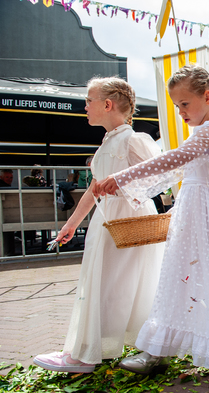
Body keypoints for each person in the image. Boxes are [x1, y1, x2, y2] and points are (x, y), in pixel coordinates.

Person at [95, 65, 209, 372]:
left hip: (205, 213)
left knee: (182, 273)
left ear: (207, 97)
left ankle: (157, 353)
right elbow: (188, 172)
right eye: (177, 106)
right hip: (205, 210)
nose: (180, 112)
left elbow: (170, 160)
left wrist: (122, 176)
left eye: (185, 104)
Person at [33, 77, 165, 373]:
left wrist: (121, 184)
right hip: (107, 217)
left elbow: (159, 178)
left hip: (129, 217)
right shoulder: (108, 140)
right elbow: (94, 189)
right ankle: (91, 348)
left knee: (119, 283)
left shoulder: (134, 139)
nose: (85, 107)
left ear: (108, 105)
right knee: (105, 282)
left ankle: (86, 354)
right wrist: (71, 224)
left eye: (88, 100)